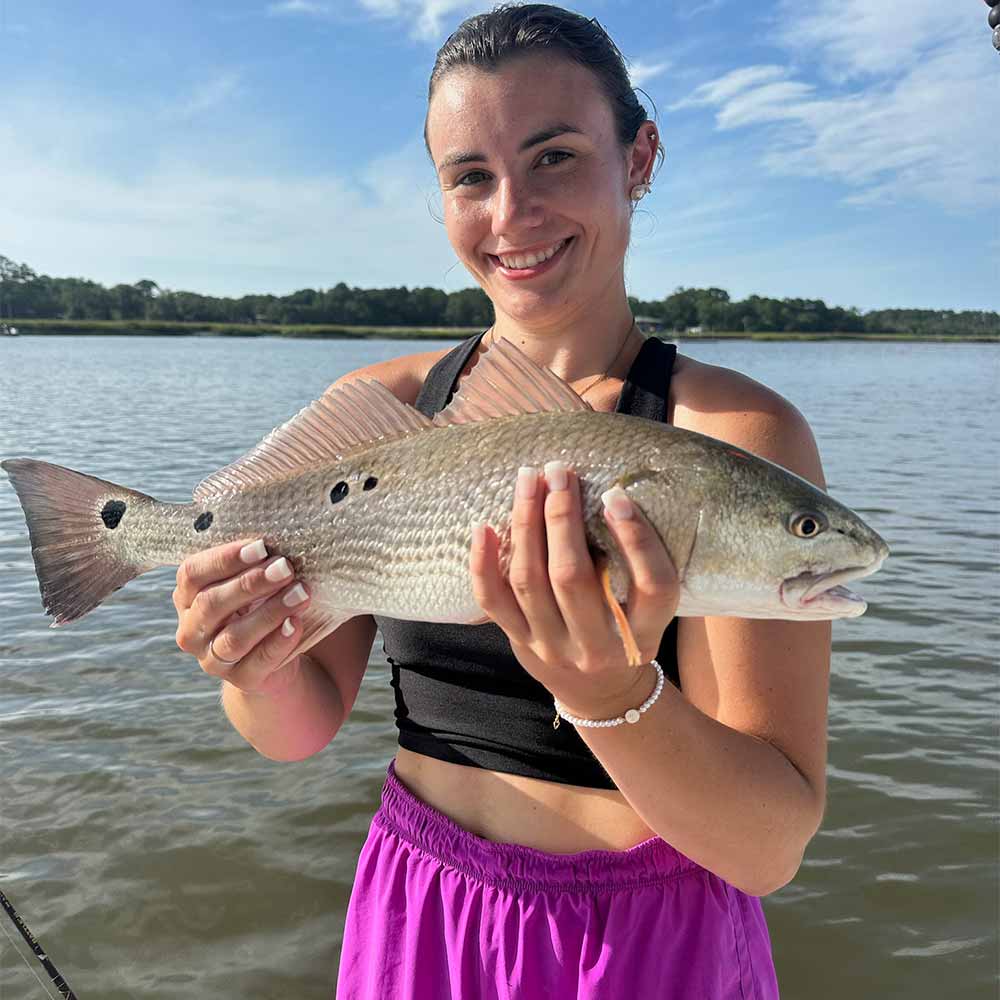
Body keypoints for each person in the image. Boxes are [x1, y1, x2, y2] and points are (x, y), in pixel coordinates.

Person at [172, 5, 830, 997]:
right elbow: (297, 729)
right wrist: (245, 658)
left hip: (646, 933)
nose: (510, 213)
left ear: (639, 157)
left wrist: (617, 699)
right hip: (416, 908)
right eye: (469, 175)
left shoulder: (732, 435)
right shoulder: (388, 409)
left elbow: (767, 846)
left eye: (555, 156)